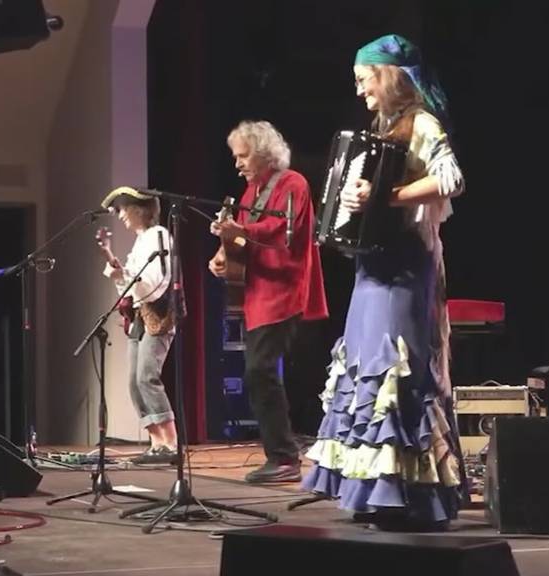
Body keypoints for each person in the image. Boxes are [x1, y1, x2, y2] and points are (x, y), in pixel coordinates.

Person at [300, 34, 466, 531]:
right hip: (374, 266)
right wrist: (356, 202)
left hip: (405, 266)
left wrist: (385, 196)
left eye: (363, 79)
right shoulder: (385, 128)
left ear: (386, 76)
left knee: (397, 369)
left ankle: (411, 495)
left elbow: (451, 178)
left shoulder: (422, 122)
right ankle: (374, 491)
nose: (358, 91)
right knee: (368, 366)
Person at [209, 120, 329, 483]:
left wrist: (239, 232)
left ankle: (285, 457)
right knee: (258, 372)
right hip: (258, 294)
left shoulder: (292, 183)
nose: (238, 164)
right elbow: (243, 239)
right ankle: (280, 455)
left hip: (283, 291)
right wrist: (222, 254)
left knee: (259, 370)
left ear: (263, 153)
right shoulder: (250, 193)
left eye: (243, 156)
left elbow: (283, 233)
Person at [99, 186, 180, 465]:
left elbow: (157, 281)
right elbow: (129, 283)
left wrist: (129, 277)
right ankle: (156, 442)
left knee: (147, 376)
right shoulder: (141, 240)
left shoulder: (158, 236)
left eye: (123, 209)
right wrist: (111, 257)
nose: (120, 216)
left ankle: (171, 443)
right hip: (139, 314)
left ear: (138, 209)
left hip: (157, 313)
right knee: (134, 381)